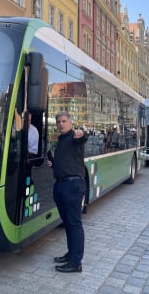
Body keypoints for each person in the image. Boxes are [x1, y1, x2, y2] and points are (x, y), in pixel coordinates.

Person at [47, 111, 87, 273]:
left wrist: (82, 133)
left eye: (64, 121)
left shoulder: (74, 137)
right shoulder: (61, 140)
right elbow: (67, 161)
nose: (61, 124)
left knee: (74, 224)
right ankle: (71, 255)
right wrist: (54, 164)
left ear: (70, 123)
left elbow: (83, 137)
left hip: (72, 186)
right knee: (68, 224)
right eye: (58, 122)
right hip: (61, 185)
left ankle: (76, 262)